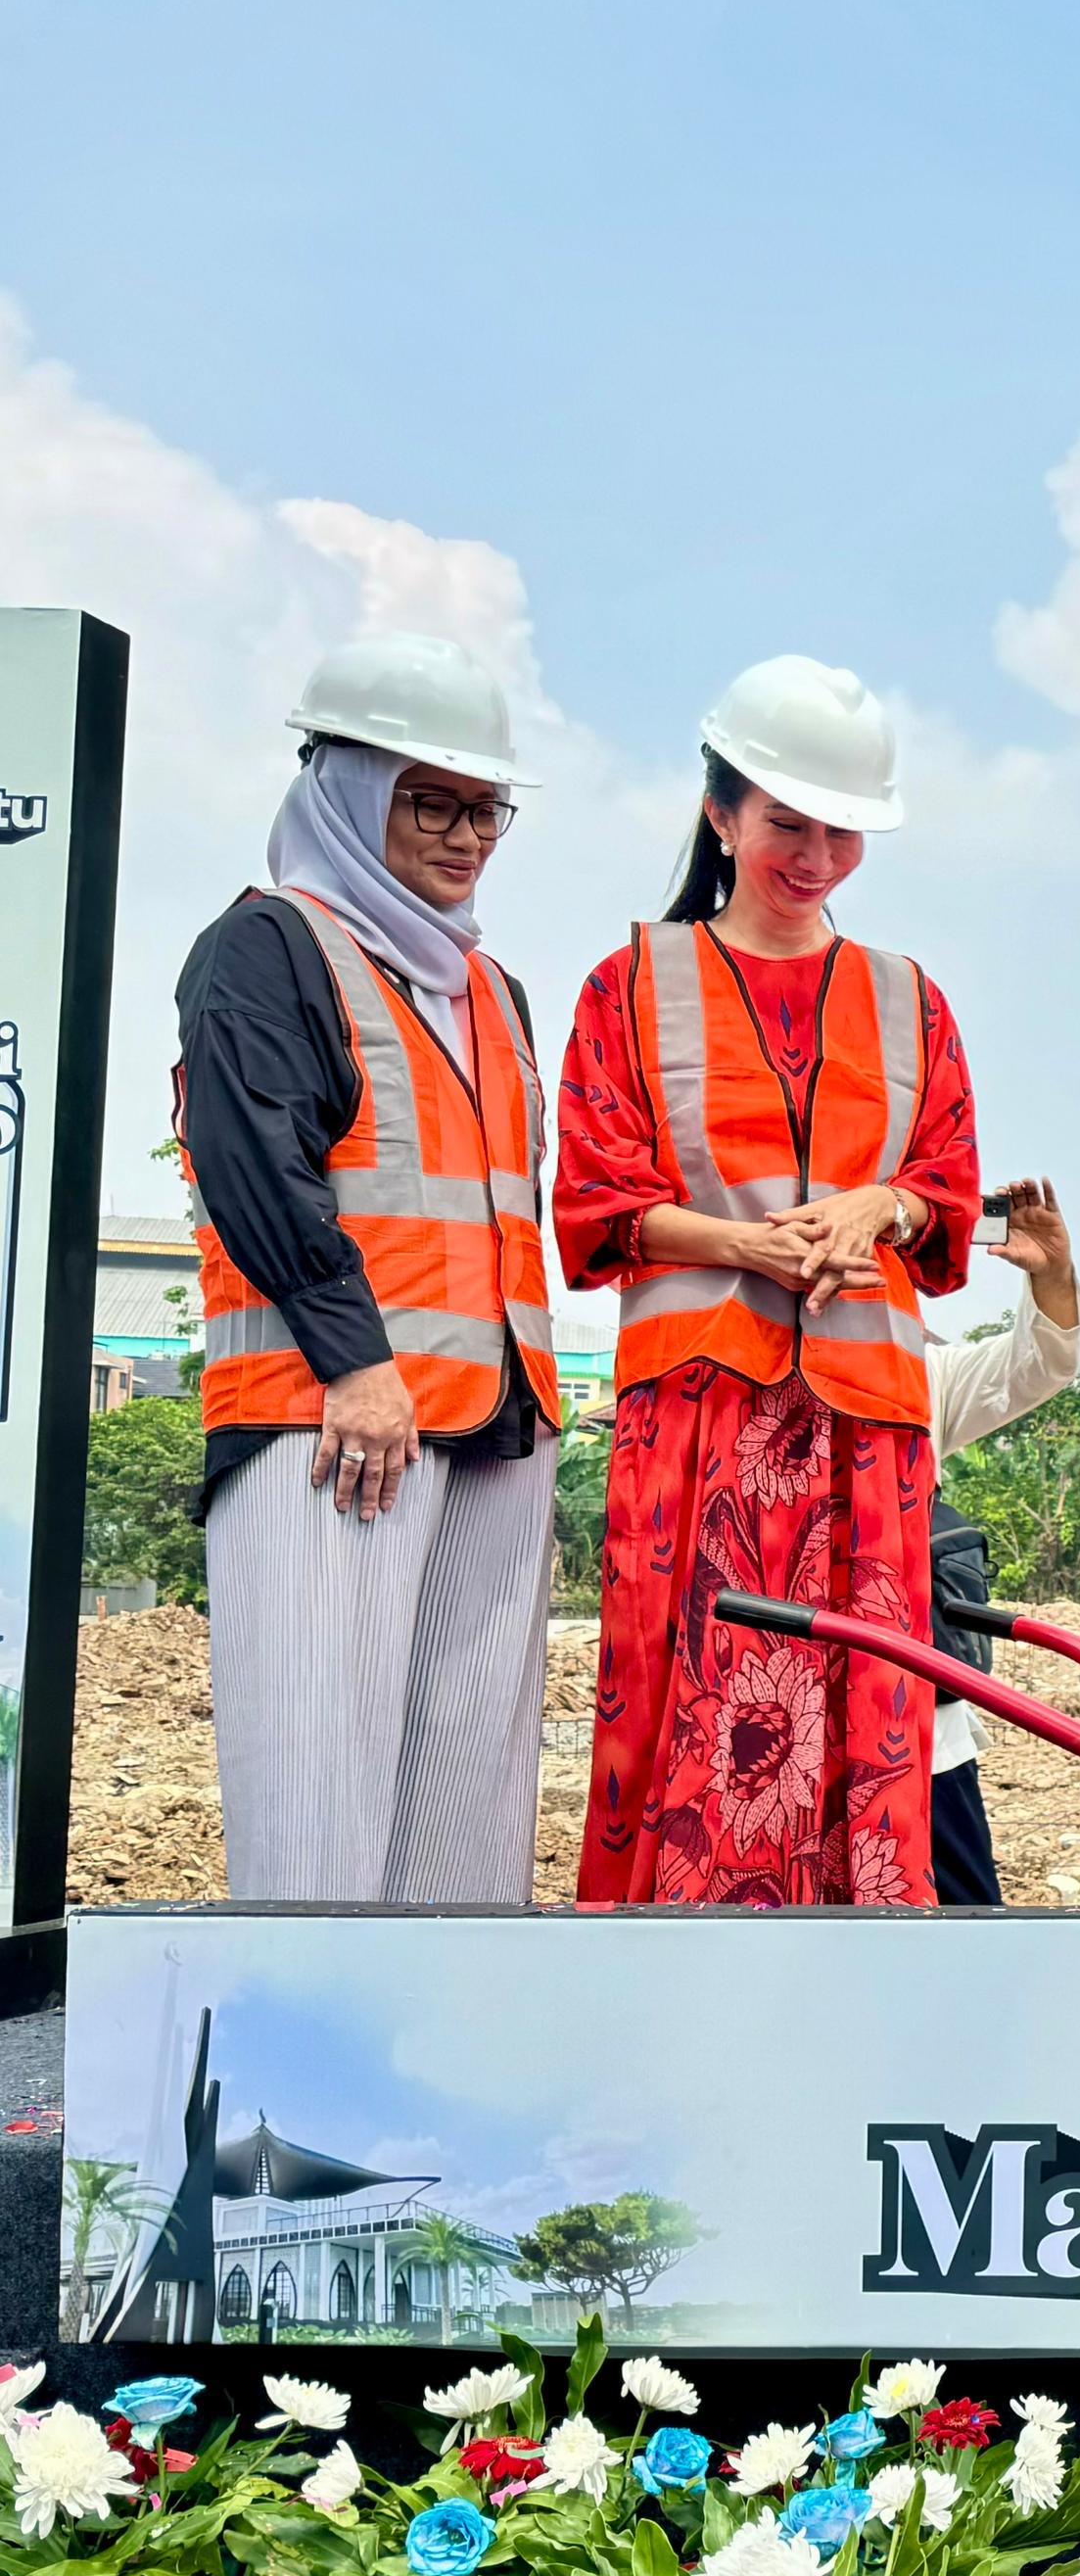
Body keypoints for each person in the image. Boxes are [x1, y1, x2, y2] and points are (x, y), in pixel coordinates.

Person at [554, 658, 979, 1906]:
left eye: (842, 830)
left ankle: (859, 1989)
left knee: (867, 1713)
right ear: (720, 813)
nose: (817, 855)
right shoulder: (627, 987)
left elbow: (946, 1186)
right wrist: (745, 1244)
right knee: (683, 1697)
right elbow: (592, 1200)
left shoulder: (912, 1001)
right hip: (700, 1416)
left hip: (866, 1432)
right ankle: (672, 1985)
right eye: (789, 823)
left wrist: (879, 1205)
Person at [174, 634, 561, 1903]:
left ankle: (456, 2084)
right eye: (428, 802)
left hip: (493, 1434)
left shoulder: (489, 990)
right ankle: (299, 2087)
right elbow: (254, 1166)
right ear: (342, 785)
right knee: (318, 1817)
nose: (464, 835)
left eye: (484, 807)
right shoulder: (269, 949)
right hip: (333, 1423)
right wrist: (355, 1364)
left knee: (468, 1824)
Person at [924, 1177, 1080, 1908]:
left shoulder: (917, 1370)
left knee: (963, 1920)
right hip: (769, 1703)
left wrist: (1052, 1272)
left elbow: (1040, 1362)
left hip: (917, 1724)